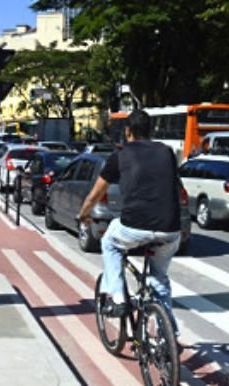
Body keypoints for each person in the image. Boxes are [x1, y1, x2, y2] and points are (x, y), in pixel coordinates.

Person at [77, 109, 182, 334]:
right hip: (170, 229)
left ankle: (117, 297)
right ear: (150, 131)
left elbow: (95, 194)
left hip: (135, 226)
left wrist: (83, 215)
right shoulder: (167, 152)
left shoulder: (120, 155)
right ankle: (169, 333)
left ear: (128, 131)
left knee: (109, 242)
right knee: (159, 280)